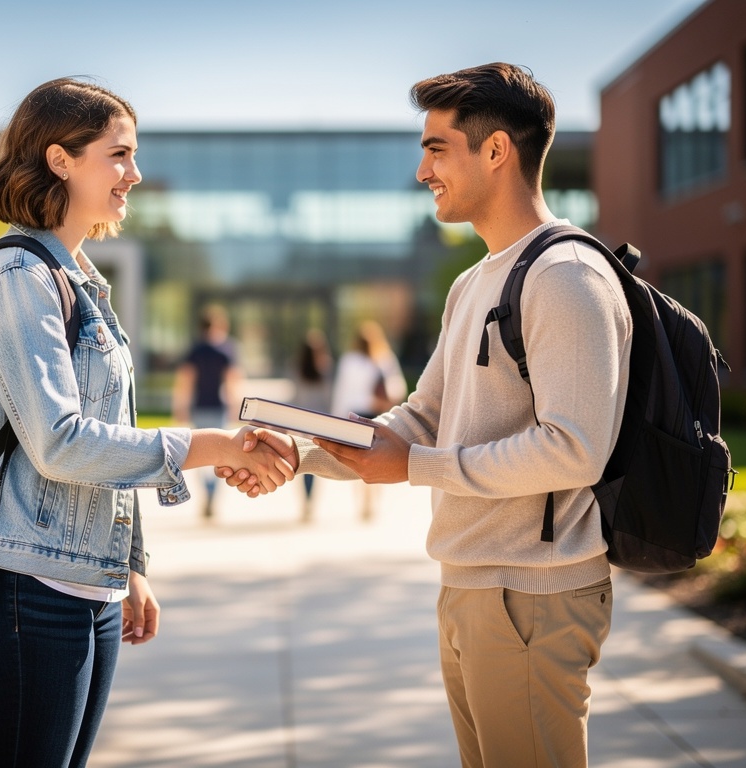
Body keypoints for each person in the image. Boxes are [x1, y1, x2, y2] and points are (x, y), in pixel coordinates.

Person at [225, 63, 631, 767]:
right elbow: (423, 417)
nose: (422, 171)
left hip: (532, 595)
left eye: (436, 148)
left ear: (496, 150)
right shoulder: (475, 281)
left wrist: (415, 468)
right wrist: (299, 452)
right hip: (472, 587)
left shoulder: (566, 276)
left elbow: (575, 448)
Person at [0, 77, 293, 768]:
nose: (134, 174)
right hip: (19, 588)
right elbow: (60, 441)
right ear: (59, 159)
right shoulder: (18, 276)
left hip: (84, 586)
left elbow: (108, 423)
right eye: (119, 155)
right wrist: (210, 445)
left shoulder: (79, 279)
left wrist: (128, 567)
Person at [330, 320, 406, 520]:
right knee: (379, 457)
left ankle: (362, 503)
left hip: (355, 416)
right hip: (377, 416)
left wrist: (336, 418)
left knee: (357, 460)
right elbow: (399, 388)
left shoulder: (349, 361)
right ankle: (373, 502)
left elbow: (342, 392)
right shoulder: (384, 359)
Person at [172, 304, 242, 519]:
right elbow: (232, 381)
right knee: (221, 454)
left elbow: (186, 380)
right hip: (218, 407)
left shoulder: (196, 349)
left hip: (200, 406)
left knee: (202, 454)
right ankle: (212, 495)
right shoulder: (227, 349)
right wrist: (235, 406)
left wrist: (180, 406)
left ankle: (207, 493)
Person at [290, 327, 333, 520]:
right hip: (320, 422)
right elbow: (329, 397)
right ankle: (311, 501)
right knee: (316, 463)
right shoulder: (325, 368)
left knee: (304, 462)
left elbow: (295, 396)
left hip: (302, 422)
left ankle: (306, 501)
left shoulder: (297, 368)